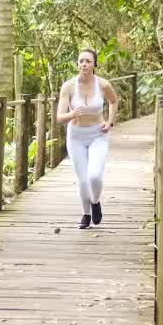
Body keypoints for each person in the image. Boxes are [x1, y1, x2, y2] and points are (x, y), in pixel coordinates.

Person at [55, 49, 120, 229]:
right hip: (75, 135)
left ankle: (95, 201)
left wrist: (110, 122)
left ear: (94, 64)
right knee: (82, 180)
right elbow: (59, 117)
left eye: (88, 61)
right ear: (77, 64)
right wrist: (72, 113)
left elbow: (114, 101)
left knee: (94, 176)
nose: (84, 64)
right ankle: (86, 214)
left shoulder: (103, 84)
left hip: (98, 134)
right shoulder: (68, 86)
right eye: (81, 61)